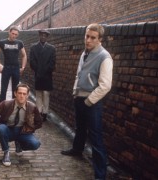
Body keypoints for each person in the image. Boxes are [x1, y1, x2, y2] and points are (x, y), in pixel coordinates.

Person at [61, 23, 113, 180]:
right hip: (80, 98)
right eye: (87, 36)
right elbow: (79, 74)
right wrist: (75, 92)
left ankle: (100, 175)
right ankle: (77, 150)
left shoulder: (105, 57)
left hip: (92, 102)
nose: (88, 40)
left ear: (100, 39)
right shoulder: (84, 53)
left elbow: (105, 85)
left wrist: (89, 101)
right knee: (80, 128)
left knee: (95, 137)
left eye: (92, 37)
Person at [0, 83, 42, 166]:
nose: (21, 96)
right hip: (9, 130)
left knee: (35, 144)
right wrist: (0, 125)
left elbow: (39, 122)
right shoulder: (6, 104)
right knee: (1, 128)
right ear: (15, 93)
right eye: (19, 93)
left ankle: (19, 143)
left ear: (27, 95)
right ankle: (6, 152)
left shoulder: (32, 107)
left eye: (24, 94)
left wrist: (30, 128)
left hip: (23, 132)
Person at [0, 25, 27, 103]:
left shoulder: (19, 43)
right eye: (13, 33)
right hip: (6, 68)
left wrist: (23, 67)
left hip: (16, 68)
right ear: (9, 32)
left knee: (15, 89)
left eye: (16, 34)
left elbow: (24, 55)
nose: (14, 36)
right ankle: (1, 108)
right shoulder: (2, 42)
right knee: (3, 89)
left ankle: (14, 107)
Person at [29, 29, 56, 122]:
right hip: (38, 74)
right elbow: (31, 61)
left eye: (45, 35)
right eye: (41, 35)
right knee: (38, 94)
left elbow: (53, 62)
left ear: (47, 37)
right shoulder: (33, 48)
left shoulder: (52, 49)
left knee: (46, 93)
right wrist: (38, 69)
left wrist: (46, 70)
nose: (43, 37)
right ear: (39, 36)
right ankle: (39, 112)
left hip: (47, 75)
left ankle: (45, 113)